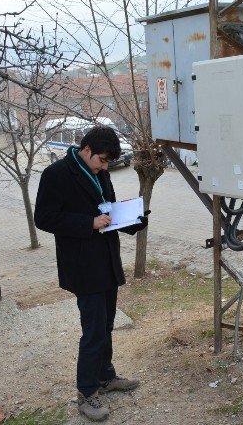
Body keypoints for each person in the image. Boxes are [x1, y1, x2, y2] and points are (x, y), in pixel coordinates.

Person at [34, 126, 148, 421]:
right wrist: (88, 223)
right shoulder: (56, 174)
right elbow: (44, 218)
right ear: (86, 150)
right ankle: (86, 393)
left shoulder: (101, 173)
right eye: (101, 160)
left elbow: (106, 210)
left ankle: (105, 377)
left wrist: (132, 218)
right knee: (94, 329)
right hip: (82, 265)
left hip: (106, 260)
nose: (105, 167)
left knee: (106, 324)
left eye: (108, 162)